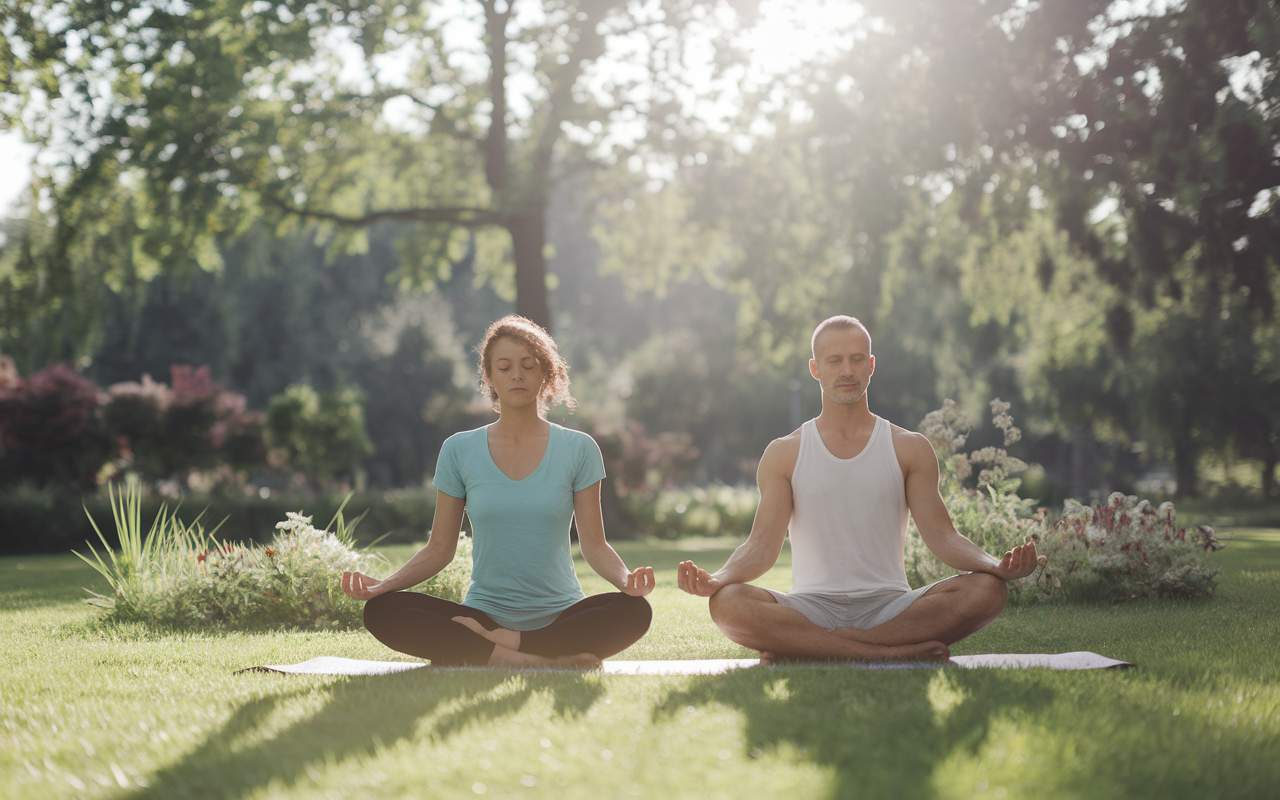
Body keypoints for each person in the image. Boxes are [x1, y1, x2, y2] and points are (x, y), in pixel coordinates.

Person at [676, 315, 1044, 664]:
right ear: (815, 369)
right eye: (834, 360)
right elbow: (760, 547)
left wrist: (996, 567)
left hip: (891, 608)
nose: (847, 371)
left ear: (871, 365)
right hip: (810, 608)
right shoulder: (783, 453)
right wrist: (718, 579)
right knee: (728, 603)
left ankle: (809, 649)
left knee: (989, 591)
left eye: (856, 359)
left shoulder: (909, 447)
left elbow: (943, 537)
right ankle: (882, 654)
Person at [342, 315, 654, 669]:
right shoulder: (459, 450)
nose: (517, 375)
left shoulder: (579, 449)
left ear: (546, 373)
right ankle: (536, 659)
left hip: (560, 615)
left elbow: (595, 546)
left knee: (634, 610)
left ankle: (502, 649)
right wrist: (384, 585)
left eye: (528, 365)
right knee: (382, 610)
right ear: (489, 377)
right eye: (504, 367)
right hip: (484, 617)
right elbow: (440, 548)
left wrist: (627, 581)